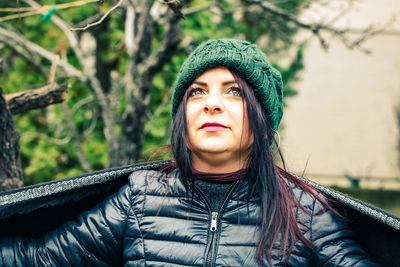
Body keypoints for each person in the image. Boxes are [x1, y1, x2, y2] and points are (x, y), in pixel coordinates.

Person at [0, 39, 380, 266]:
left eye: (233, 91)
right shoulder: (140, 197)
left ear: (264, 119)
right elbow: (40, 259)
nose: (211, 104)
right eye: (197, 91)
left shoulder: (305, 213)